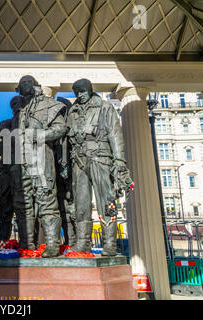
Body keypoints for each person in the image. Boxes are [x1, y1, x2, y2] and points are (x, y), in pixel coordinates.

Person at [66, 78, 133, 256]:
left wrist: (119, 161)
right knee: (81, 203)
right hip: (78, 161)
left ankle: (110, 243)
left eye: (82, 91)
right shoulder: (71, 111)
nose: (79, 95)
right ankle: (82, 242)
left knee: (106, 201)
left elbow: (115, 134)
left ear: (90, 89)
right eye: (76, 92)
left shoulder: (105, 107)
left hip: (101, 158)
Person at [11, 75, 67, 257]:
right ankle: (27, 244)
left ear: (35, 85)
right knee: (22, 202)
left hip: (41, 157)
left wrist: (39, 136)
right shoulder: (19, 110)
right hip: (20, 161)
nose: (22, 87)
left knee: (46, 200)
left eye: (25, 83)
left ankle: (52, 244)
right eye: (20, 85)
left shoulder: (49, 104)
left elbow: (60, 129)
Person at [0, 96, 22, 241]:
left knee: (23, 207)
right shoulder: (4, 125)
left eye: (19, 104)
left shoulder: (28, 125)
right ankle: (3, 241)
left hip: (22, 172)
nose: (17, 107)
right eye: (14, 105)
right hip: (6, 172)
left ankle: (26, 242)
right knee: (4, 207)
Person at [55, 96, 77, 246]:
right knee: (61, 209)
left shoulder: (72, 128)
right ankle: (68, 242)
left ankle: (77, 242)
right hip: (57, 172)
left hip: (73, 171)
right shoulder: (55, 129)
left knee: (74, 207)